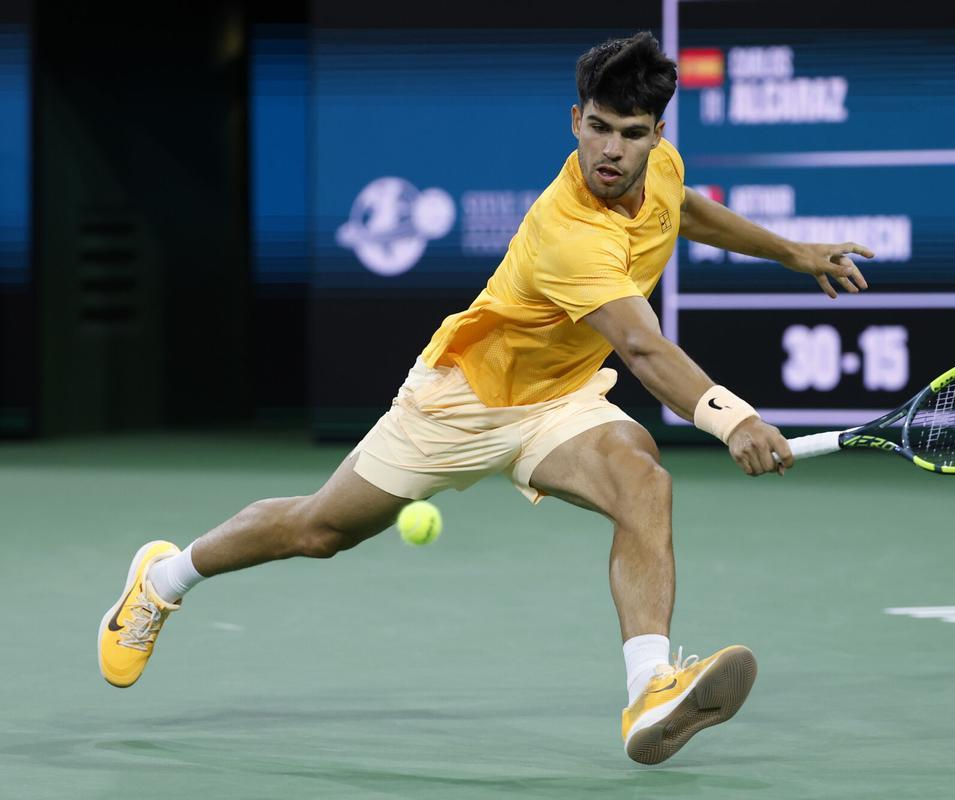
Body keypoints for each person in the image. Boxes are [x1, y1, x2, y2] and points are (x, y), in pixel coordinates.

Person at [98, 31, 871, 765]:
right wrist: (731, 419)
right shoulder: (568, 231)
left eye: (631, 134)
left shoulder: (658, 166)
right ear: (575, 120)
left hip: (560, 398)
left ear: (655, 133)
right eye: (597, 128)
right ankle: (163, 579)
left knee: (644, 482)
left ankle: (649, 692)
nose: (610, 149)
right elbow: (641, 346)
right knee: (320, 529)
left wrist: (792, 251)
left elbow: (686, 209)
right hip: (463, 400)